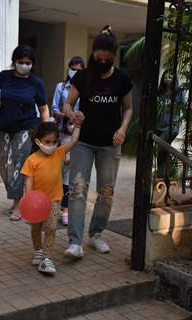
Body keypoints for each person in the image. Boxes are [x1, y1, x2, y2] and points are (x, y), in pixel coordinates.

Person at [63, 25, 134, 258]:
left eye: (106, 59)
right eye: (98, 57)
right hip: (83, 142)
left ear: (114, 57)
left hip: (109, 144)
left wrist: (123, 128)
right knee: (78, 189)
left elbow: (128, 108)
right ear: (93, 53)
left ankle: (96, 235)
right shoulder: (83, 77)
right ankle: (74, 242)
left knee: (106, 192)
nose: (101, 61)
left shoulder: (122, 79)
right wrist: (72, 115)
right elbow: (67, 104)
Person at [0, 45, 49, 221]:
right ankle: (17, 194)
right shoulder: (4, 77)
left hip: (25, 128)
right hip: (2, 127)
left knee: (17, 164)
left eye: (28, 63)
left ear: (32, 64)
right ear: (14, 62)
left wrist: (46, 133)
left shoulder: (36, 82)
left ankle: (17, 204)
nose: (24, 65)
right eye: (20, 62)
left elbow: (43, 108)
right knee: (2, 164)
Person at [21, 122, 81, 274]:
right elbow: (27, 180)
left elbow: (73, 141)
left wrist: (78, 125)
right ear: (38, 141)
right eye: (47, 142)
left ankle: (47, 258)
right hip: (36, 203)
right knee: (35, 227)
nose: (51, 145)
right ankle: (38, 250)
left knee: (51, 227)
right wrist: (28, 200)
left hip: (54, 199)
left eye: (54, 142)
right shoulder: (31, 160)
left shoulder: (59, 153)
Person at [52, 56, 85, 226]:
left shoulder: (87, 87)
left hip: (82, 134)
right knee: (64, 172)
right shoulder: (61, 86)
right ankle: (63, 209)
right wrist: (68, 115)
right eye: (73, 68)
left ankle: (70, 209)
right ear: (68, 69)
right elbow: (54, 109)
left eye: (80, 70)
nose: (76, 72)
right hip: (65, 133)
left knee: (77, 173)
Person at [156, 71, 185, 178]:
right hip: (158, 127)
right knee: (162, 152)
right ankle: (163, 176)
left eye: (170, 76)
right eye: (166, 76)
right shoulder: (159, 93)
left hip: (171, 127)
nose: (168, 78)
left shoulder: (178, 93)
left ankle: (164, 174)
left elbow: (183, 107)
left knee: (161, 148)